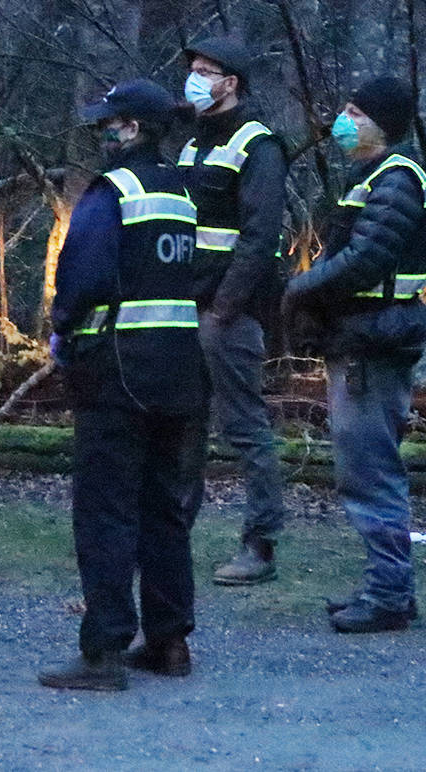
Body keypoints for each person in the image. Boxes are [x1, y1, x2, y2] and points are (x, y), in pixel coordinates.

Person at [38, 80, 206, 691]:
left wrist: (62, 331)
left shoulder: (114, 192)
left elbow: (81, 274)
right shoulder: (184, 192)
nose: (102, 133)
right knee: (163, 505)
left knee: (106, 509)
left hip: (116, 366)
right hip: (179, 367)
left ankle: (104, 651)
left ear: (131, 128)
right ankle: (169, 641)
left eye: (109, 124)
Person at [282, 77, 426, 633]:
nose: (341, 121)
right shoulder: (373, 177)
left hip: (372, 342)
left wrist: (301, 288)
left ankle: (390, 595)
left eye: (353, 112)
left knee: (370, 471)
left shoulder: (395, 180)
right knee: (365, 468)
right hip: (362, 337)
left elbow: (365, 259)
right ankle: (388, 588)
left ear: (380, 123)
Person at [179, 36, 289, 585]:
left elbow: (260, 235)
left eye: (205, 71)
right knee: (183, 426)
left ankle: (260, 544)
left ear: (231, 84)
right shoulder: (193, 143)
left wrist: (224, 309)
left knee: (244, 428)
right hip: (186, 308)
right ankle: (172, 533)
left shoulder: (257, 145)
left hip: (228, 314)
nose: (195, 79)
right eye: (193, 69)